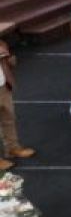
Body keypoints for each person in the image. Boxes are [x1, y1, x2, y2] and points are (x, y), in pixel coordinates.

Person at [0, 40, 32, 169]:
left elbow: (8, 62)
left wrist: (9, 59)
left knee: (8, 119)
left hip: (2, 86)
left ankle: (12, 148)